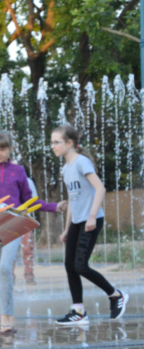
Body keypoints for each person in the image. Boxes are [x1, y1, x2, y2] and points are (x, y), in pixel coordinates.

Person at [0, 131, 66, 335]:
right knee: (1, 273)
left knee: (5, 269)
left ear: (10, 149)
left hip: (12, 226)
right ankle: (6, 315)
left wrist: (54, 206)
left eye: (3, 149)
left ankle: (7, 318)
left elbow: (30, 201)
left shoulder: (18, 171)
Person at [51, 125, 128, 325]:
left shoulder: (81, 162)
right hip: (77, 222)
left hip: (91, 220)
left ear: (69, 143)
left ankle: (115, 295)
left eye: (56, 142)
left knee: (80, 266)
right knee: (69, 265)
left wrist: (92, 216)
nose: (53, 146)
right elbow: (72, 200)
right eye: (52, 142)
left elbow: (100, 188)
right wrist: (67, 229)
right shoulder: (66, 168)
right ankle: (79, 311)